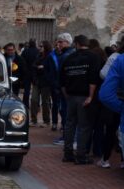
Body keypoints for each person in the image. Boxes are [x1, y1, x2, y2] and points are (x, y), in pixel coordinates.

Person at [61, 35, 100, 164]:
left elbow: (62, 81)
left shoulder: (68, 58)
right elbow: (93, 79)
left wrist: (67, 96)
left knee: (69, 125)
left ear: (76, 44)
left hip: (71, 96)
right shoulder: (93, 57)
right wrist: (90, 96)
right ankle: (81, 155)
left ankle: (68, 153)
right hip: (84, 96)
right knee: (84, 127)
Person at [97, 37, 124, 168]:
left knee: (111, 130)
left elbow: (103, 75)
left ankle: (105, 159)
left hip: (116, 101)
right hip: (117, 101)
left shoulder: (117, 59)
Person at [30, 41, 52, 127]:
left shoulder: (49, 57)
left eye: (41, 46)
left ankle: (46, 121)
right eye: (39, 46)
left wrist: (43, 67)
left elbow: (50, 69)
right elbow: (33, 66)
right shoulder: (38, 56)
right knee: (34, 100)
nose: (40, 48)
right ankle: (33, 119)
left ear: (46, 47)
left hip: (45, 82)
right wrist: (38, 68)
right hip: (37, 81)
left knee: (45, 102)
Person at [21, 38, 39, 108]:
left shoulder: (25, 51)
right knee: (36, 91)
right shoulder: (37, 51)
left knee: (27, 90)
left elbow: (22, 62)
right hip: (35, 73)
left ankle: (25, 104)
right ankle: (36, 105)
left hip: (27, 73)